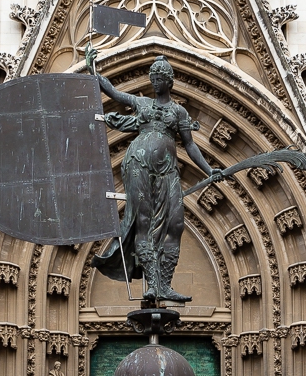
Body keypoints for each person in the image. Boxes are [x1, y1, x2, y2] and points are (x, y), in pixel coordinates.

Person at [87, 49, 222, 302]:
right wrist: (93, 69)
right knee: (144, 222)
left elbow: (190, 145)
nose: (155, 82)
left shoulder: (179, 112)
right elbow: (114, 93)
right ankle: (153, 285)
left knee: (176, 223)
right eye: (153, 78)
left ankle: (165, 285)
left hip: (167, 169)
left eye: (160, 79)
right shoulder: (142, 104)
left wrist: (209, 169)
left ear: (169, 82)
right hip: (138, 164)